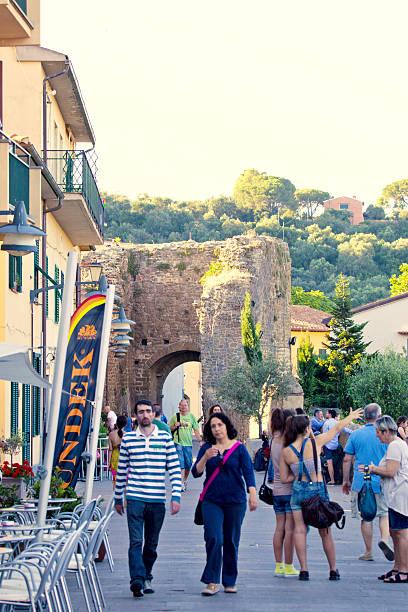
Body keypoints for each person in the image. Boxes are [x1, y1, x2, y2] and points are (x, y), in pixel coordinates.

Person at [280, 406, 363, 581]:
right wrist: (351, 417)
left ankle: (304, 569)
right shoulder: (314, 443)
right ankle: (333, 569)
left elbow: (284, 477)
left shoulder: (286, 451)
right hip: (317, 489)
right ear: (307, 429)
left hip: (298, 490)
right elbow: (336, 429)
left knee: (300, 530)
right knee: (325, 531)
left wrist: (298, 473)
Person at [114, 399, 181, 598]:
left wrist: (175, 495)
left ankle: (147, 575)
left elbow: (175, 469)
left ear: (153, 414)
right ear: (135, 416)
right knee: (135, 541)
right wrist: (119, 498)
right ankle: (136, 579)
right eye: (141, 411)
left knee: (151, 544)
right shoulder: (128, 440)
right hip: (135, 498)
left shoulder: (165, 438)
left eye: (148, 411)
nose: (145, 415)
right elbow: (122, 469)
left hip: (157, 499)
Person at [192, 412, 257, 595]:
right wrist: (205, 457)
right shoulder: (207, 448)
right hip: (212, 500)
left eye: (219, 424)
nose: (217, 429)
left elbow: (248, 472)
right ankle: (212, 581)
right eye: (213, 426)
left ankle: (229, 580)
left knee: (231, 540)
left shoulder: (239, 448)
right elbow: (196, 472)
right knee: (214, 538)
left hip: (235, 501)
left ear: (226, 426)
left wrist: (252, 494)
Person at [359, 415, 408, 583]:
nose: (377, 435)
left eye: (378, 432)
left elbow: (391, 471)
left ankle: (404, 570)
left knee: (401, 533)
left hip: (399, 495)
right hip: (395, 496)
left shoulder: (395, 446)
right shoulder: (395, 445)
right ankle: (397, 567)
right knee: (395, 532)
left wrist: (372, 469)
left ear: (386, 431)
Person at [342, 403, 393, 562]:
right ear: (379, 416)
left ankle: (368, 551)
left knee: (366, 516)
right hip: (382, 480)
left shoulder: (356, 435)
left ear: (364, 417)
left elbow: (347, 459)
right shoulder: (385, 434)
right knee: (384, 514)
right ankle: (384, 538)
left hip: (362, 481)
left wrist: (345, 480)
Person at [270, 408, 298, 577]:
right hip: (289, 489)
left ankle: (278, 564)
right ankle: (289, 565)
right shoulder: (288, 442)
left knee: (279, 528)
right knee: (290, 529)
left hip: (277, 490)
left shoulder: (273, 440)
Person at [169, 398, 202, 491]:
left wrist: (200, 441)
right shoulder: (175, 416)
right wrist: (175, 426)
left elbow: (195, 429)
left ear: (187, 407)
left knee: (188, 465)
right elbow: (170, 428)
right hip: (178, 442)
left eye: (185, 405)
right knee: (180, 464)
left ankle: (184, 480)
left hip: (188, 444)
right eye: (182, 405)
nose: (183, 407)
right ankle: (180, 484)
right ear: (179, 407)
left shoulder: (191, 417)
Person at [322, 408, 353, 484]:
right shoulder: (337, 423)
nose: (326, 414)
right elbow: (346, 430)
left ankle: (332, 480)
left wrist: (322, 446)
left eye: (327, 413)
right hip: (336, 445)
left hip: (328, 445)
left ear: (329, 414)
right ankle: (338, 478)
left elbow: (324, 435)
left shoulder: (326, 423)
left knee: (329, 463)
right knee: (339, 461)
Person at [108, 414, 128, 486]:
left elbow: (110, 450)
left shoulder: (111, 434)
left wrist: (109, 463)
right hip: (124, 458)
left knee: (115, 480)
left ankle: (116, 495)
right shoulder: (127, 435)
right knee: (125, 481)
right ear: (125, 424)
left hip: (115, 457)